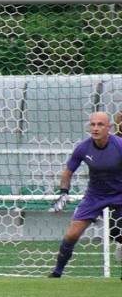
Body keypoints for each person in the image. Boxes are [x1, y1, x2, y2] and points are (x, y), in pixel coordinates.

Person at [48, 111, 122, 278]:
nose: (95, 128)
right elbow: (68, 172)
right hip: (94, 196)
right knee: (72, 233)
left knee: (117, 233)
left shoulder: (119, 145)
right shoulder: (83, 147)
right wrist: (63, 193)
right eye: (92, 124)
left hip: (119, 194)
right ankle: (57, 272)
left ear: (109, 127)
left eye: (100, 125)